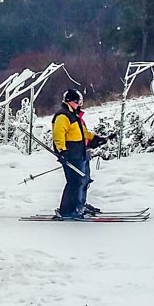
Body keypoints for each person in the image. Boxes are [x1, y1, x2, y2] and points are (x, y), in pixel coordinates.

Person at [51, 89, 107, 220]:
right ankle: (66, 210)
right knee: (74, 182)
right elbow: (58, 135)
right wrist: (62, 151)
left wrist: (96, 138)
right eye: (77, 102)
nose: (79, 104)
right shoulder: (63, 116)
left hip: (79, 153)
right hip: (70, 154)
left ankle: (78, 205)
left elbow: (83, 132)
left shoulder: (73, 115)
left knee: (81, 181)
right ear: (69, 102)